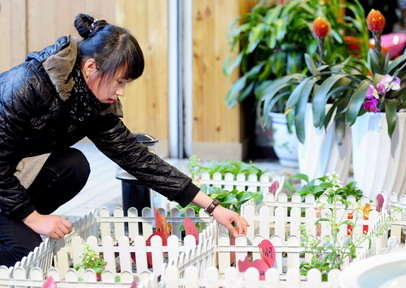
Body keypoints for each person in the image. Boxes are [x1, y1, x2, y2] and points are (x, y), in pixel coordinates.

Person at [0, 13, 248, 267]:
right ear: (90, 67)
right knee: (27, 256)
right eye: (119, 81)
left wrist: (213, 207)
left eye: (126, 83)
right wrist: (34, 219)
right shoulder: (27, 86)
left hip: (10, 177)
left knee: (74, 166)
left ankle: (12, 223)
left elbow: (134, 156)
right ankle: (17, 226)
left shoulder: (90, 98)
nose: (121, 91)